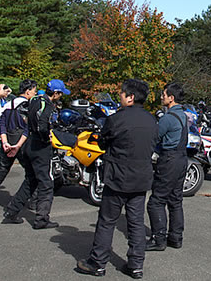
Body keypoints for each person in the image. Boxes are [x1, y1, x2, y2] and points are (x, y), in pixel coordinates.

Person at [77, 79, 158, 279]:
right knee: (136, 223)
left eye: (122, 93)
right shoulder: (151, 120)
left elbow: (104, 141)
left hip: (118, 178)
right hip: (141, 178)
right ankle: (136, 265)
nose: (120, 96)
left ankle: (97, 262)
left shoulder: (117, 119)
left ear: (130, 97)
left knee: (107, 221)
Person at [2, 79, 70, 229]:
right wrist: (47, 137)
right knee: (46, 184)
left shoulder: (35, 99)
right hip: (40, 147)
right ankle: (41, 219)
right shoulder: (48, 105)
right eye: (60, 93)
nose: (61, 96)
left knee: (30, 180)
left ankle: (12, 211)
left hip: (29, 144)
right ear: (56, 93)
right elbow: (43, 125)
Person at [0, 79, 37, 213]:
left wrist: (5, 142)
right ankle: (32, 202)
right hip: (22, 144)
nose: (35, 94)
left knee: (1, 171)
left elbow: (2, 124)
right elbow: (27, 128)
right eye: (34, 91)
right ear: (28, 91)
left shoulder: (9, 104)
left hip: (7, 141)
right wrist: (17, 145)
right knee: (32, 174)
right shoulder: (28, 106)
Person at [146, 83, 188, 252]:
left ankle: (159, 239)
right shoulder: (184, 115)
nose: (161, 97)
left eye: (163, 94)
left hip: (169, 159)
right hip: (182, 159)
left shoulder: (168, 118)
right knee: (175, 200)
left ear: (171, 98)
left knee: (156, 201)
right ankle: (176, 238)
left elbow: (154, 137)